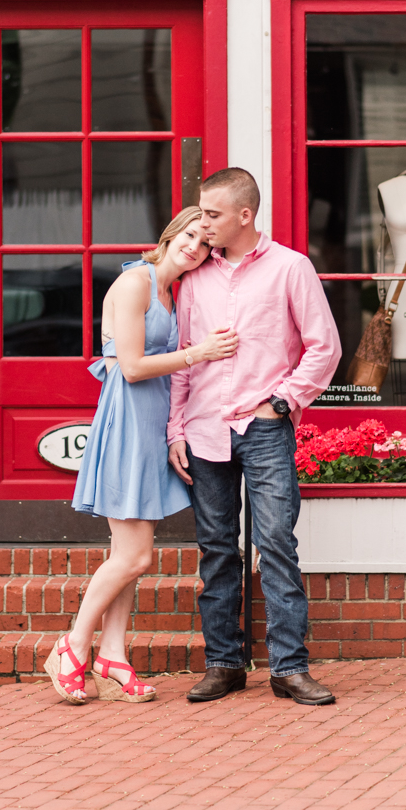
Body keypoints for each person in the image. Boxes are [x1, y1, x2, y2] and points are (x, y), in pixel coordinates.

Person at [45, 206, 238, 705]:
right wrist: (200, 353)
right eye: (189, 236)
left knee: (127, 558)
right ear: (171, 233)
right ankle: (71, 647)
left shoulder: (174, 293)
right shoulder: (137, 283)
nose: (194, 247)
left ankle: (113, 656)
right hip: (128, 421)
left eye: (205, 244)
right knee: (135, 556)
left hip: (154, 425)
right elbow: (130, 367)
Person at [168, 168, 341, 705]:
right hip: (203, 428)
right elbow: (182, 360)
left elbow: (324, 346)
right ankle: (223, 664)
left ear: (246, 215)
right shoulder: (194, 277)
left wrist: (282, 402)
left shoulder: (291, 268)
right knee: (216, 550)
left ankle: (289, 669)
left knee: (276, 546)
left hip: (264, 429)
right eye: (200, 212)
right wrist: (175, 428)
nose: (203, 223)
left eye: (213, 214)